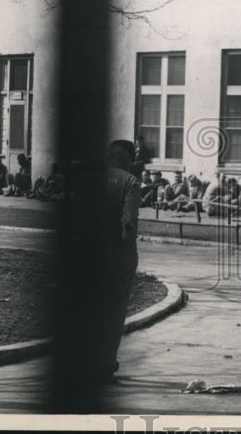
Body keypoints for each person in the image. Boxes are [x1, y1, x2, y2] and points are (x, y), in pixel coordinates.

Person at [66, 139, 141, 383]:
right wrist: (128, 251)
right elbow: (128, 223)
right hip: (117, 255)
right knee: (113, 311)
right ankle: (105, 363)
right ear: (129, 160)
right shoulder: (130, 181)